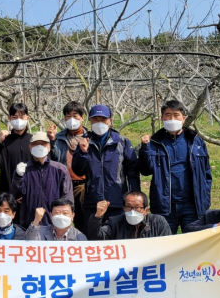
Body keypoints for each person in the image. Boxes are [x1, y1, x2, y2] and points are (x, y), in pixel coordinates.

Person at [138, 99, 212, 233]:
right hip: (165, 205)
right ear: (162, 118)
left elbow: (206, 172)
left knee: (192, 242)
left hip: (192, 204)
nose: (172, 119)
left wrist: (204, 195)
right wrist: (145, 148)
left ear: (183, 118)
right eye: (168, 115)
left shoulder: (196, 141)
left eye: (176, 115)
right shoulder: (154, 142)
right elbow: (145, 170)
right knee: (165, 243)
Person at [71, 104, 140, 237]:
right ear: (90, 121)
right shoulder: (84, 142)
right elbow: (78, 171)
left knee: (118, 237)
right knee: (93, 236)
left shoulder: (122, 142)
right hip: (92, 202)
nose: (99, 123)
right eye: (95, 120)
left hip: (117, 202)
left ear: (110, 120)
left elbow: (132, 171)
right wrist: (82, 153)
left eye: (103, 119)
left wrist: (133, 197)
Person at [10, 132, 73, 230]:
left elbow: (67, 197)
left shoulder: (60, 169)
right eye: (36, 144)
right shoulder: (24, 169)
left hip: (55, 225)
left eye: (43, 144)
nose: (39, 147)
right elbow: (15, 195)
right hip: (30, 224)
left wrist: (64, 219)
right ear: (30, 148)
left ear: (48, 147)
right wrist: (18, 177)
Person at [48, 101, 89, 230]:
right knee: (62, 217)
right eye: (68, 116)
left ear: (82, 118)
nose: (71, 119)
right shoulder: (59, 137)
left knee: (82, 217)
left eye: (75, 116)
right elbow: (53, 159)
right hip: (64, 183)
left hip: (82, 184)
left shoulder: (90, 138)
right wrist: (52, 140)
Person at [0, 102, 32, 195]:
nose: (18, 120)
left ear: (28, 118)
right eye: (14, 117)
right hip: (8, 196)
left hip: (30, 194)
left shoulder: (33, 141)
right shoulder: (4, 142)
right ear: (9, 118)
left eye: (22, 117)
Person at [89, 191, 171, 240]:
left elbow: (167, 246)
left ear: (146, 210)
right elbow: (98, 238)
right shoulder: (114, 222)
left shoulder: (158, 222)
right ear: (123, 208)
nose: (132, 211)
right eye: (128, 207)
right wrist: (97, 216)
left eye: (137, 207)